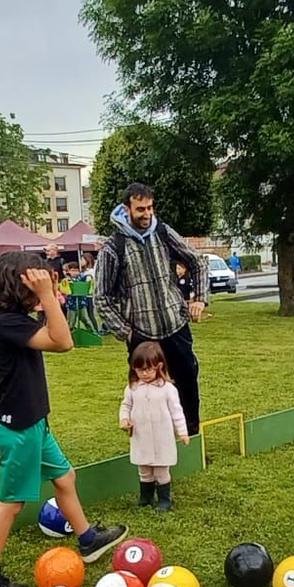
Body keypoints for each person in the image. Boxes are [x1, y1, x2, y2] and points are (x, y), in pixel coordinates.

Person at [0, 252, 127, 587]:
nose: (45, 287)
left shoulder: (13, 318)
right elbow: (63, 341)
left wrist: (46, 296)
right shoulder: (3, 323)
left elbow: (57, 333)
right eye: (38, 281)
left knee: (64, 477)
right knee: (10, 504)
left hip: (33, 424)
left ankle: (88, 539)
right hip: (18, 430)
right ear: (19, 284)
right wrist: (46, 296)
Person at [93, 181, 209, 437]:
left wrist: (199, 297)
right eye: (140, 209)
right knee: (147, 393)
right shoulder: (114, 248)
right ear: (127, 209)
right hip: (142, 335)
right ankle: (152, 444)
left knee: (187, 383)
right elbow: (100, 297)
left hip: (175, 326)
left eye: (150, 208)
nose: (146, 214)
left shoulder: (163, 233)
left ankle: (190, 438)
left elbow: (197, 261)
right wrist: (127, 332)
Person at [120, 340, 190, 512]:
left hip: (162, 438)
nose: (144, 373)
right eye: (139, 369)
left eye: (148, 369)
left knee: (160, 470)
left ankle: (165, 499)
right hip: (141, 437)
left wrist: (183, 432)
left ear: (158, 366)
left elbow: (177, 412)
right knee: (144, 469)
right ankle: (146, 497)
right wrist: (124, 419)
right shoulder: (132, 388)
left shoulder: (168, 389)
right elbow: (126, 405)